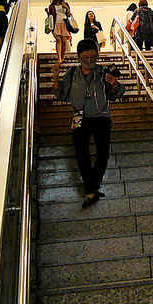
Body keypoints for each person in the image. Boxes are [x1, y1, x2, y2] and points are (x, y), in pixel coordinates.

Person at [52, 39, 125, 208]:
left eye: (93, 56)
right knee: (81, 153)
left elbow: (115, 94)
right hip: (79, 118)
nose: (89, 60)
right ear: (78, 57)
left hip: (101, 117)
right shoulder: (72, 73)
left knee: (102, 154)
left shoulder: (103, 72)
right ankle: (91, 189)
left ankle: (92, 188)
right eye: (85, 57)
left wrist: (114, 85)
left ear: (98, 55)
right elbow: (61, 94)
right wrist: (55, 76)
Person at [46, 0, 73, 65]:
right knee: (58, 40)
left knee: (64, 41)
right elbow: (50, 16)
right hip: (56, 24)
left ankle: (63, 57)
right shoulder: (51, 6)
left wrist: (66, 8)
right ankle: (59, 58)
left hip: (64, 23)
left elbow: (69, 14)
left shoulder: (65, 4)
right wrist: (48, 12)